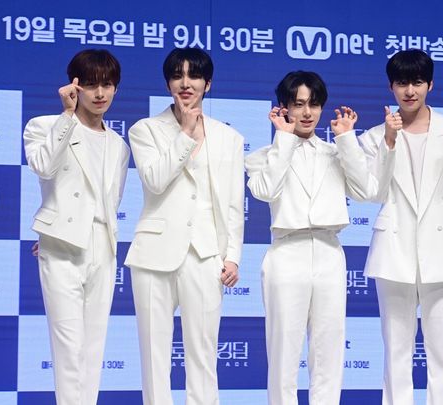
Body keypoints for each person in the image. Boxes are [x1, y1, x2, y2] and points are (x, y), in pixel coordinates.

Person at [359, 49, 443, 405]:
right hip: (394, 251)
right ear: (391, 87)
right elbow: (373, 193)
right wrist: (388, 143)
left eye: (417, 82)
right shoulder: (374, 136)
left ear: (430, 84)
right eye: (402, 83)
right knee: (396, 352)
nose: (409, 91)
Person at [245, 71, 379, 405]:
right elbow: (265, 190)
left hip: (330, 252)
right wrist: (284, 139)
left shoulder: (337, 152)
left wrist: (347, 139)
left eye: (314, 104)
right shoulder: (263, 155)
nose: (307, 113)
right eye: (298, 104)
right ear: (283, 107)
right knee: (284, 352)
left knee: (329, 351)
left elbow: (366, 191)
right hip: (286, 253)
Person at [124, 47, 244, 405]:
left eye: (194, 76)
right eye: (178, 76)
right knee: (153, 355)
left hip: (205, 254)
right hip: (153, 255)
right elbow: (155, 180)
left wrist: (232, 256)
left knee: (203, 355)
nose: (186, 83)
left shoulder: (229, 138)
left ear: (208, 83)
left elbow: (234, 203)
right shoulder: (145, 130)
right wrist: (186, 134)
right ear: (167, 84)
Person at [23, 49, 129, 405]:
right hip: (62, 247)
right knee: (68, 345)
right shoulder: (44, 126)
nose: (100, 93)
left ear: (115, 89)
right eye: (92, 84)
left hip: (103, 245)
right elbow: (43, 167)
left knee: (93, 346)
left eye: (107, 85)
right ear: (75, 86)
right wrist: (67, 116)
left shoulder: (119, 145)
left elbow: (111, 201)